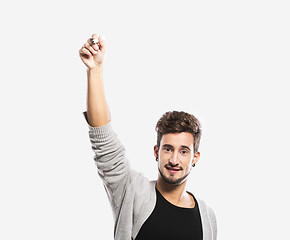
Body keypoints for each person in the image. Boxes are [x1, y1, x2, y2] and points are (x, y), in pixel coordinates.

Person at [79, 33, 217, 240]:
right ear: (156, 151)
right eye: (168, 148)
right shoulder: (133, 192)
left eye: (184, 151)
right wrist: (95, 71)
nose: (174, 159)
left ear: (195, 157)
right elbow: (104, 141)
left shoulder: (207, 216)